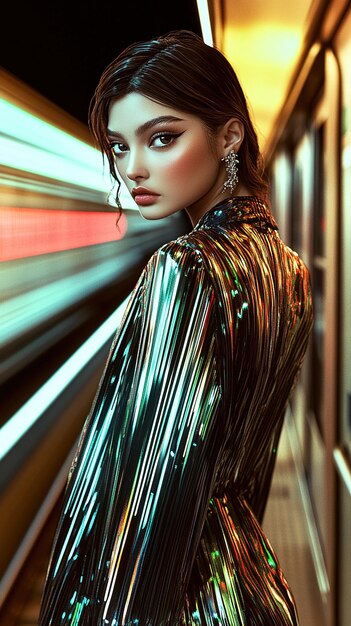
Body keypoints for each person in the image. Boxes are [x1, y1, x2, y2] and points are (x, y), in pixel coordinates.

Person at [38, 29, 313, 625]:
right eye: (118, 147)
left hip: (184, 602)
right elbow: (253, 464)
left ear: (229, 135)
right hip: (252, 582)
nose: (133, 169)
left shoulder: (184, 268)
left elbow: (151, 499)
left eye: (162, 139)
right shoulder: (288, 269)